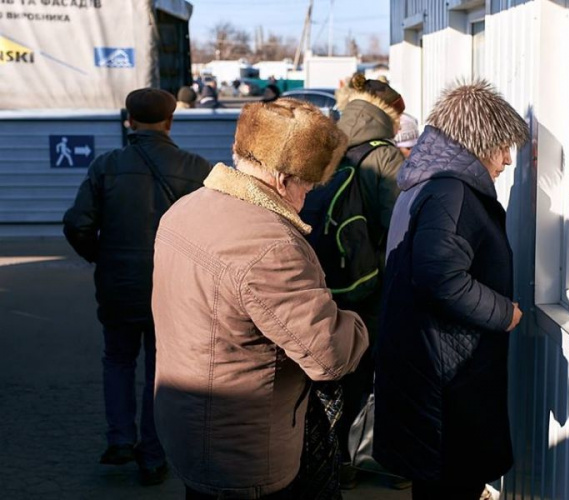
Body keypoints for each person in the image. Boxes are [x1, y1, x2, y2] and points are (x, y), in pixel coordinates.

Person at [151, 98, 370, 499]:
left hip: (189, 423)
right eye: (308, 184)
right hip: (246, 450)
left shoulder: (185, 209)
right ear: (284, 179)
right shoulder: (269, 244)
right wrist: (354, 322)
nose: (308, 196)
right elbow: (329, 356)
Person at [373, 80, 529, 500]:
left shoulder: (430, 182)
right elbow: (440, 277)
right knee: (449, 483)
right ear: (480, 141)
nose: (508, 161)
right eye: (503, 148)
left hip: (430, 366)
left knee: (436, 482)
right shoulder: (451, 192)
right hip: (445, 381)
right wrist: (504, 313)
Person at [62, 88, 212, 486]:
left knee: (117, 359)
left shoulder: (105, 166)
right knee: (161, 369)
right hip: (173, 287)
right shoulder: (196, 168)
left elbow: (77, 223)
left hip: (118, 282)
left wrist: (101, 256)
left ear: (129, 120)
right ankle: (152, 454)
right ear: (170, 121)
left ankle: (120, 439)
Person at [332, 72, 407, 489]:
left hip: (327, 278)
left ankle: (334, 459)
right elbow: (399, 229)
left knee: (335, 371)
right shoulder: (386, 157)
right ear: (390, 113)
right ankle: (369, 461)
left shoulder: (329, 143)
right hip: (370, 285)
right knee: (372, 374)